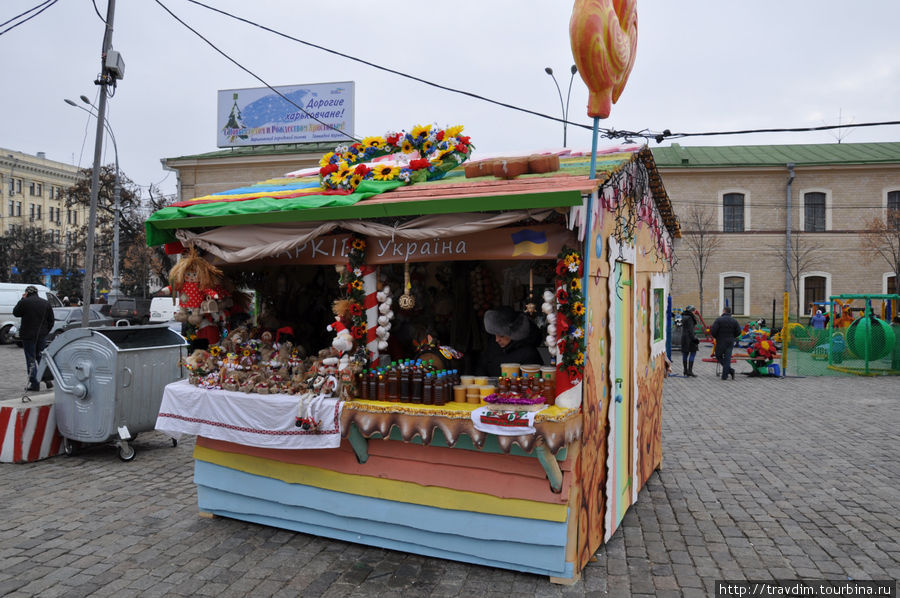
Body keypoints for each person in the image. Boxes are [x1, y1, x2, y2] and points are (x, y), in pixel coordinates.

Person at [476, 306, 542, 377]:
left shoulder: (529, 353)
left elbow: (532, 380)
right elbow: (481, 368)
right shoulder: (492, 346)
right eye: (495, 334)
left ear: (514, 333)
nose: (497, 339)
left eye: (501, 335)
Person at [13, 286, 55, 392]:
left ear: (27, 293)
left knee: (30, 358)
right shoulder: (45, 303)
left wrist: (22, 299)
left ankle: (35, 383)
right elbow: (51, 320)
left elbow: (16, 313)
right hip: (42, 335)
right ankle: (46, 379)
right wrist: (45, 331)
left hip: (28, 335)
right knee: (41, 357)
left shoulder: (25, 302)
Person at [709, 306, 741, 381]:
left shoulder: (719, 320)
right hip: (730, 341)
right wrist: (733, 336)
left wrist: (717, 337)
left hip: (721, 341)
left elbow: (713, 331)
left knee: (718, 355)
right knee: (727, 358)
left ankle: (729, 371)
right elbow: (739, 332)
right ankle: (726, 374)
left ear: (724, 311)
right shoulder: (734, 321)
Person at [680, 305, 700, 377]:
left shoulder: (684, 317)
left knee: (685, 354)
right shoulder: (690, 318)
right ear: (692, 311)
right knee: (693, 353)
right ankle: (690, 371)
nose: (695, 312)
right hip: (690, 338)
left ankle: (685, 370)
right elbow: (691, 330)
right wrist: (694, 339)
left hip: (684, 337)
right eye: (694, 310)